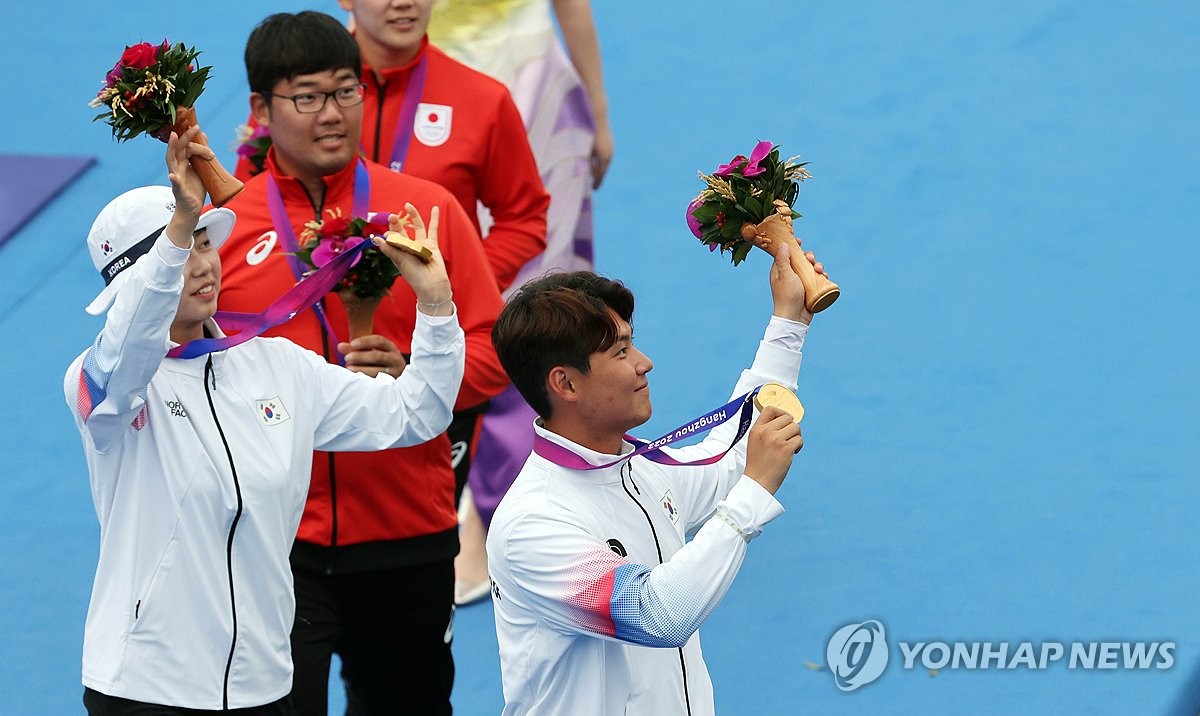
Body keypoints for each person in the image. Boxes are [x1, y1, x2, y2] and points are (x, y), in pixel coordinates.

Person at [64, 126, 463, 714]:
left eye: (203, 242)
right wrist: (178, 225)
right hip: (144, 688)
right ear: (131, 284)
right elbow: (127, 349)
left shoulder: (277, 366)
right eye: (177, 248)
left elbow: (416, 413)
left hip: (265, 686)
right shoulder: (102, 385)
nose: (200, 262)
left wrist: (434, 304)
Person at [217, 11, 508, 714]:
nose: (332, 114)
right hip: (272, 539)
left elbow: (496, 349)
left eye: (346, 92)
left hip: (409, 532)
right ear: (261, 109)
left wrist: (418, 371)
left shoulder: (425, 211)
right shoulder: (223, 233)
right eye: (307, 96)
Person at [486, 243, 824, 715]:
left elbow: (731, 457)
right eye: (621, 351)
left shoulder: (638, 470)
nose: (644, 362)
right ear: (565, 384)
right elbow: (655, 614)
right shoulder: (532, 523)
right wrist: (753, 495)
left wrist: (790, 321)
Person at [428, 0, 615, 602]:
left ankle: (507, 503)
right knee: (445, 296)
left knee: (547, 302)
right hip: (437, 112)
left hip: (538, 98)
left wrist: (598, 111)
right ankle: (461, 487)